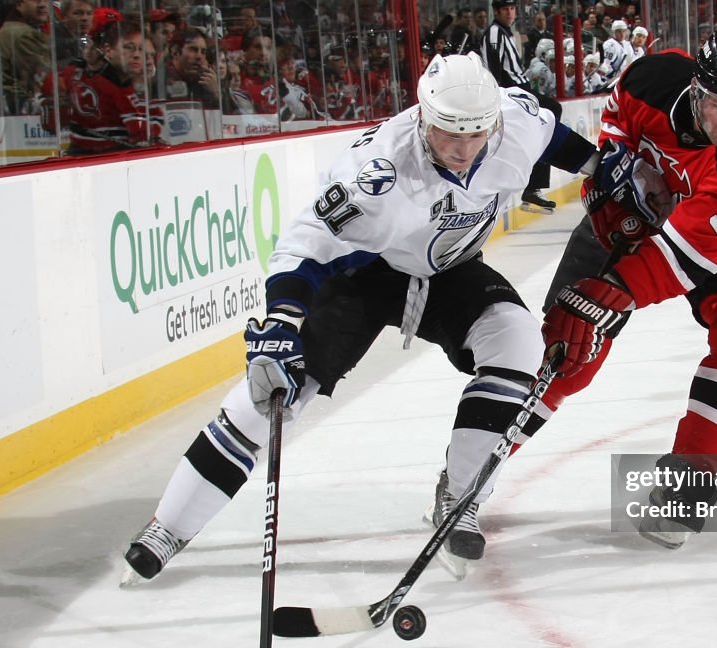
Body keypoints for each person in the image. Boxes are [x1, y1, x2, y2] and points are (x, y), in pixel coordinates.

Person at [121, 53, 599, 583]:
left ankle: (459, 499)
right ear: (422, 116)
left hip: (449, 269)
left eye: (474, 136)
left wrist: (602, 166)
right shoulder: (373, 176)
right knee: (276, 392)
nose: (463, 151)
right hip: (364, 274)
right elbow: (304, 249)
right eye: (447, 135)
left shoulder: (512, 122)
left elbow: (554, 136)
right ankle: (167, 526)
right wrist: (281, 324)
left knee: (518, 345)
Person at [512, 33, 717, 549]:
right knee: (565, 350)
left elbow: (687, 256)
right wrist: (607, 185)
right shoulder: (650, 79)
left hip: (708, 237)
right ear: (696, 91)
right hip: (624, 219)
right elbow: (615, 127)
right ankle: (472, 468)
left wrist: (612, 291)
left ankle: (688, 482)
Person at [482, 0, 563, 215]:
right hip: (512, 92)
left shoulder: (506, 32)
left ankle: (533, 185)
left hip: (520, 89)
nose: (509, 13)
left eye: (512, 8)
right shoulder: (494, 34)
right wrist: (499, 98)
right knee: (550, 114)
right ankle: (532, 185)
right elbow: (493, 67)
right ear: (497, 12)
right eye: (505, 9)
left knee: (550, 116)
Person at [65, 13, 162, 155]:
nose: (136, 55)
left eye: (141, 50)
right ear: (107, 51)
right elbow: (141, 135)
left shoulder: (121, 84)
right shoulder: (102, 85)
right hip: (95, 163)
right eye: (129, 47)